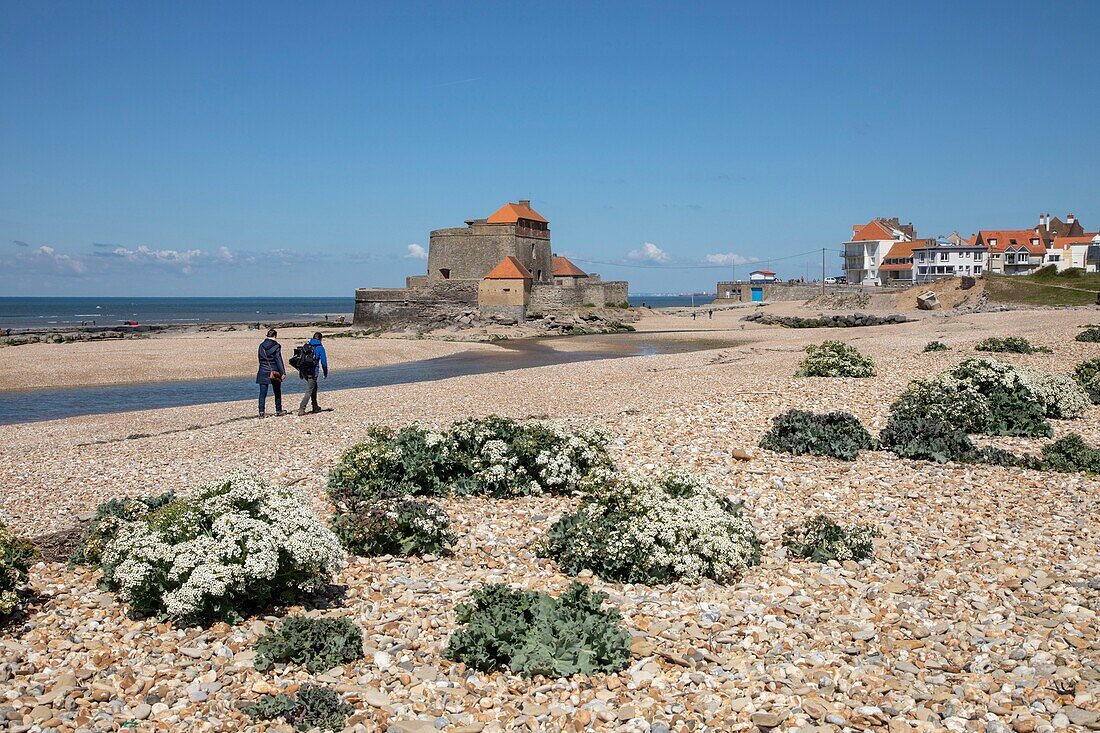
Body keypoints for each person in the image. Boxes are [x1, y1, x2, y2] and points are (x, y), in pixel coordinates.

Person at [256, 329, 286, 418]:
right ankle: (278, 410)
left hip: (263, 370)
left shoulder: (261, 345)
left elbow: (260, 358)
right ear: (275, 336)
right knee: (277, 391)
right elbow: (278, 359)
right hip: (274, 370)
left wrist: (263, 366)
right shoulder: (277, 346)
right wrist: (283, 372)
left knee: (262, 393)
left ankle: (261, 412)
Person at [298, 331, 328, 416]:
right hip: (313, 371)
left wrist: (300, 372)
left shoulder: (306, 345)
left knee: (314, 386)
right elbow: (324, 362)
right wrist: (325, 373)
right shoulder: (320, 347)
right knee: (309, 390)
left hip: (304, 370)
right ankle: (301, 408)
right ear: (320, 339)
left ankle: (315, 406)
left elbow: (301, 360)